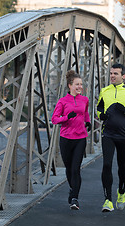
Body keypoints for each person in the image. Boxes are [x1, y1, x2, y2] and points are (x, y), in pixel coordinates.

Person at [96, 63, 125, 212]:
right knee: (107, 165)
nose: (112, 76)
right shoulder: (105, 91)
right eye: (111, 73)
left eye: (115, 74)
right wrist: (101, 115)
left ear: (123, 76)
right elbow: (99, 108)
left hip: (124, 135)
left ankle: (121, 192)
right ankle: (108, 201)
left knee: (122, 167)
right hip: (108, 134)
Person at [51, 70, 91, 210]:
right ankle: (72, 189)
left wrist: (88, 121)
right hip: (66, 139)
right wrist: (67, 117)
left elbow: (85, 113)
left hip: (80, 137)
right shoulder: (63, 101)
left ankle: (75, 198)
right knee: (69, 169)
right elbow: (54, 119)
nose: (80, 87)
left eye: (81, 84)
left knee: (76, 169)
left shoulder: (84, 100)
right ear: (70, 85)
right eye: (77, 84)